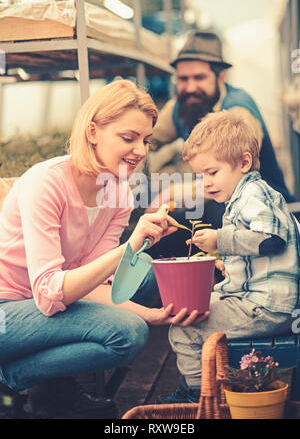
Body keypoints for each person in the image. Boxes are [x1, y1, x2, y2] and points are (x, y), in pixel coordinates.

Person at [0, 79, 206, 419]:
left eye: (146, 140)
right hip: (10, 311)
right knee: (128, 332)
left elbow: (97, 283)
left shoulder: (119, 194)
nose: (140, 150)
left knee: (155, 279)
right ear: (93, 131)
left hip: (52, 305)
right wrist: (132, 246)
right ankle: (11, 377)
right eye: (128, 138)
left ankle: (50, 386)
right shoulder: (46, 182)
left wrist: (154, 315)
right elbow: (50, 293)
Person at [156, 110, 299, 404]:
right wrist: (228, 262)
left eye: (213, 172)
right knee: (192, 306)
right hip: (259, 299)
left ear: (244, 162)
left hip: (266, 306)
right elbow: (262, 251)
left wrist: (219, 238)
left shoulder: (254, 195)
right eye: (200, 175)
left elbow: (271, 240)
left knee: (185, 324)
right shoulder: (246, 195)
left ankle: (197, 396)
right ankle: (215, 385)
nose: (206, 183)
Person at [147, 29, 296, 259]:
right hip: (215, 198)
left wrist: (174, 191)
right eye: (183, 79)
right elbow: (146, 139)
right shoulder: (181, 106)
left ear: (221, 78)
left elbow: (234, 180)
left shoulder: (239, 110)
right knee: (160, 227)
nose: (190, 87)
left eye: (199, 77)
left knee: (214, 212)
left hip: (260, 213)